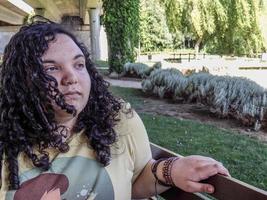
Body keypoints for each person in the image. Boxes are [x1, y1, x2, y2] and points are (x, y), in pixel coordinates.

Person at [0, 18, 229, 200]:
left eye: (79, 65)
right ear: (21, 81)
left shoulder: (117, 119)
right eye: (51, 69)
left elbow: (136, 180)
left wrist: (171, 170)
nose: (71, 78)